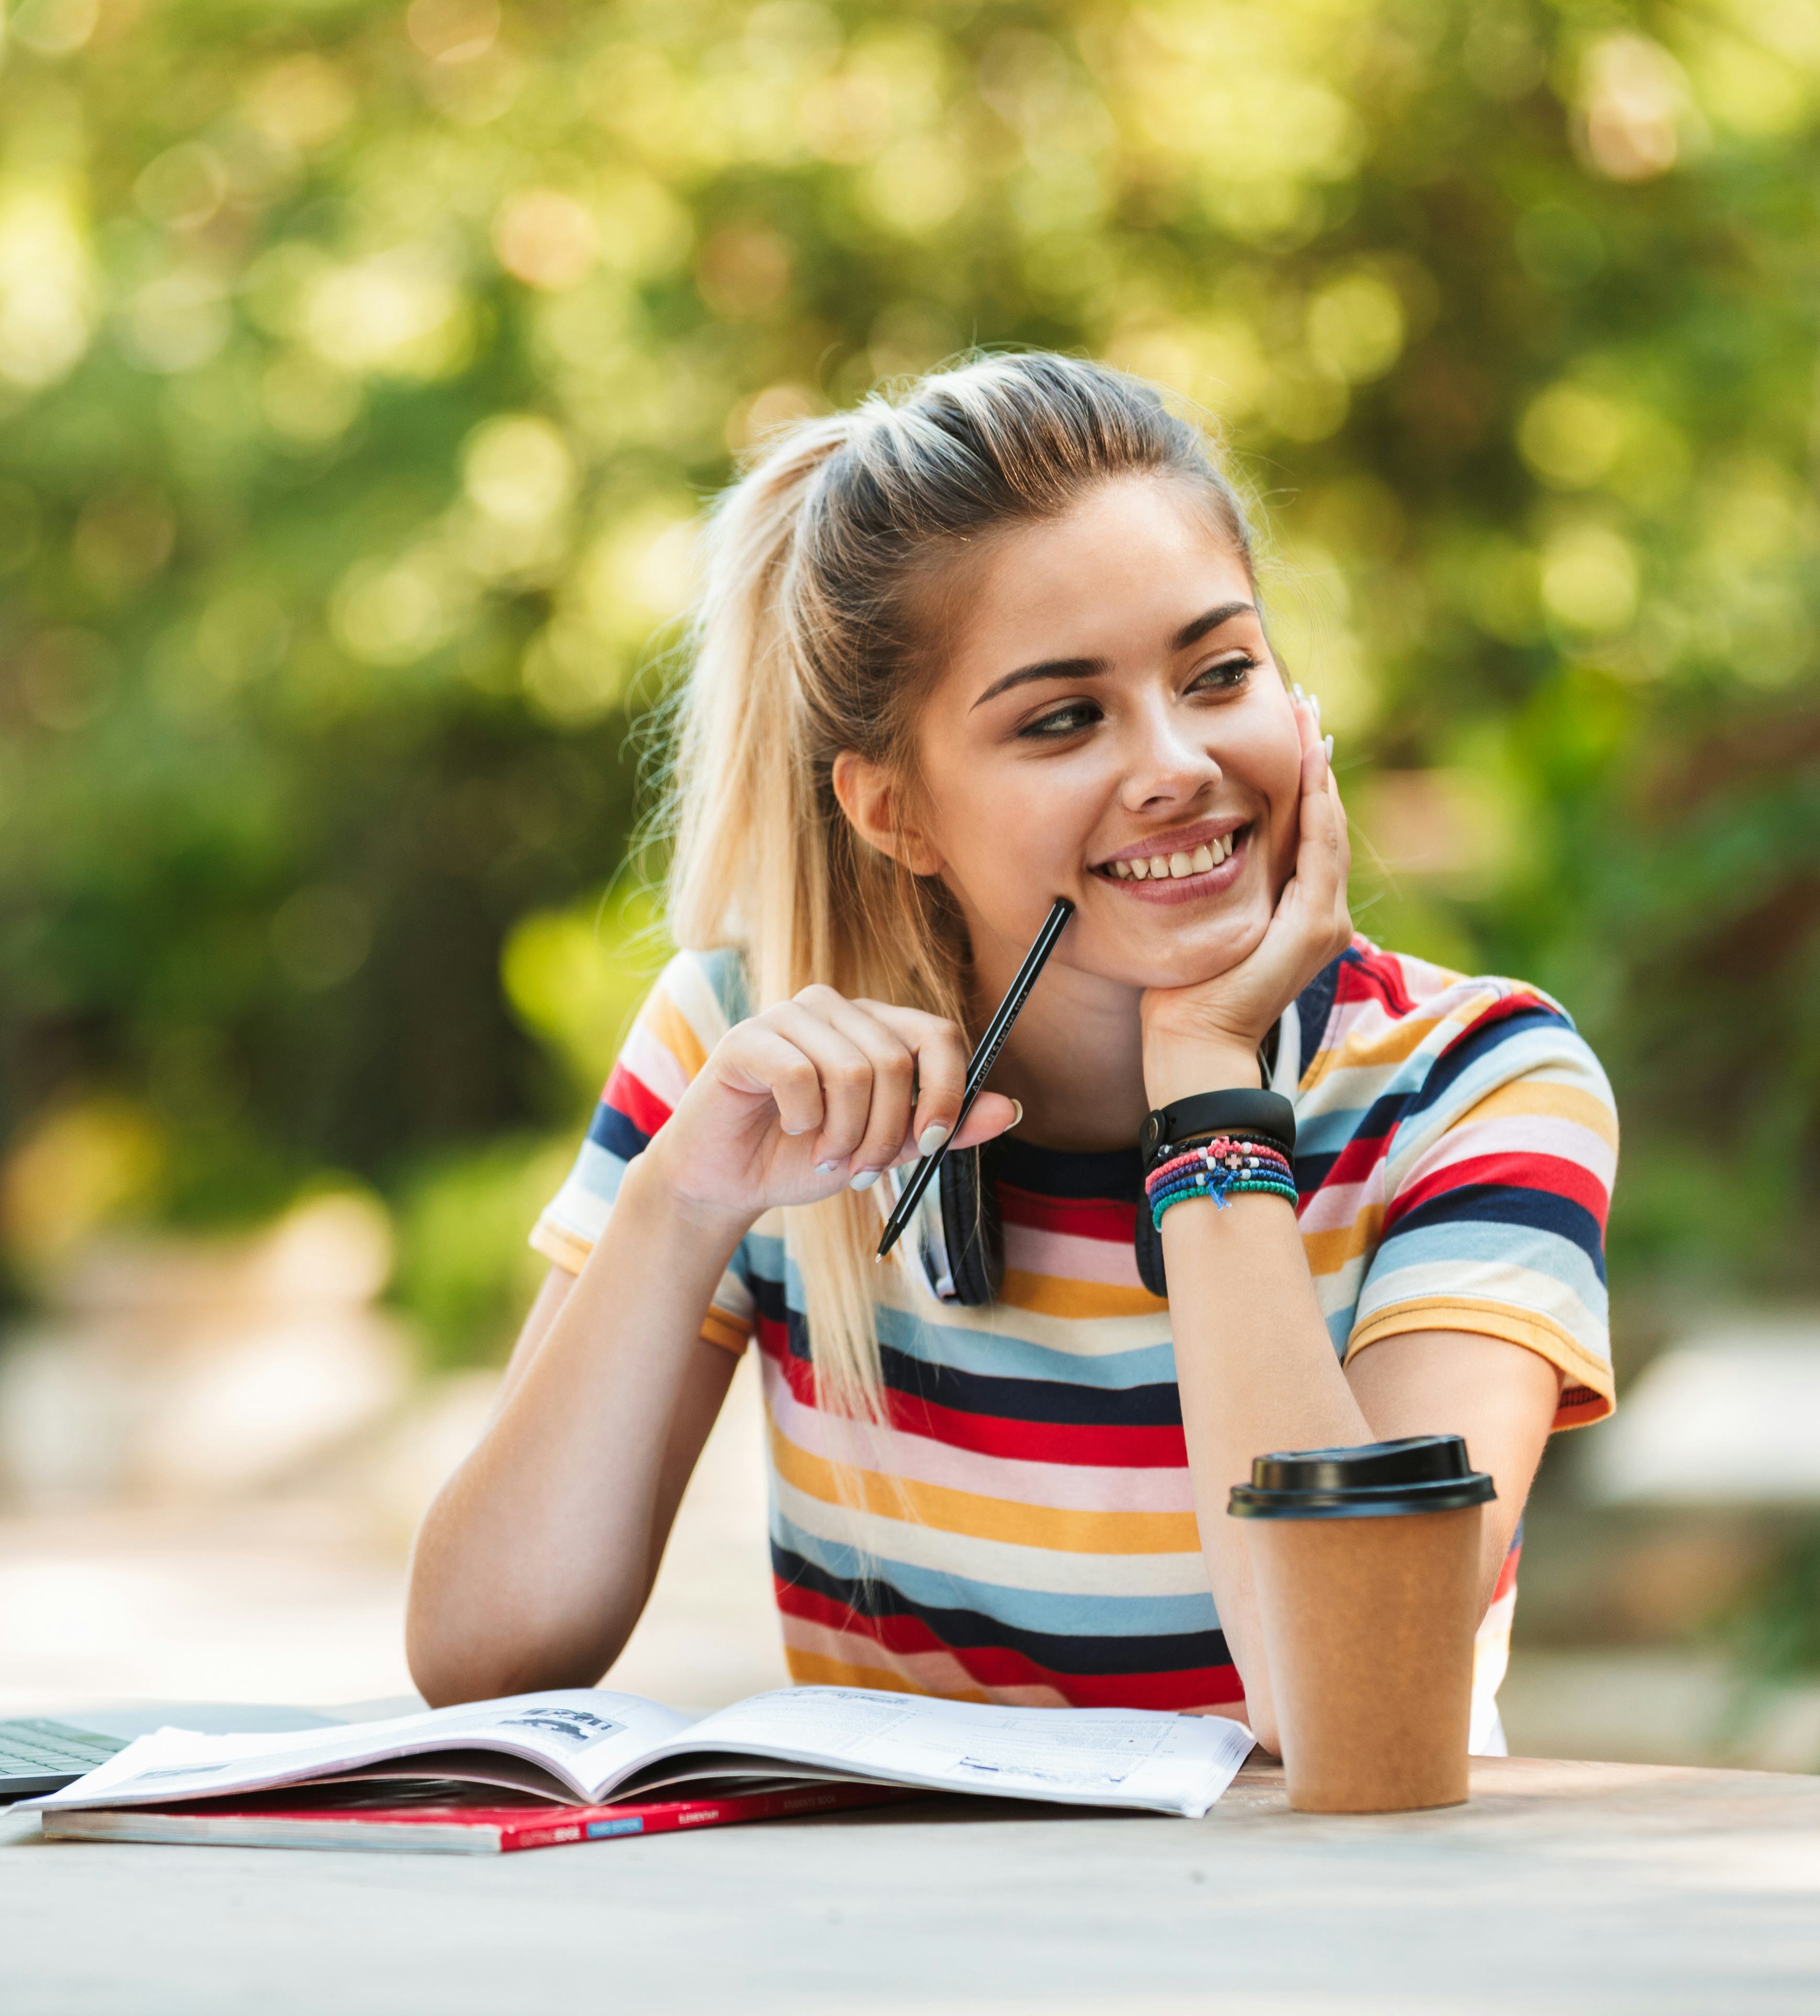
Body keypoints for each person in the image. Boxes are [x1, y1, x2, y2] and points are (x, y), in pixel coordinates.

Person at [406, 352, 1615, 1756]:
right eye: (1062, 718)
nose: (1174, 763)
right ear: (896, 811)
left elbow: (1340, 1700)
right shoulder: (752, 1052)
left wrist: (1212, 1099)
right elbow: (482, 1659)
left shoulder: (1477, 1083)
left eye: (1219, 673)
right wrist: (683, 1203)